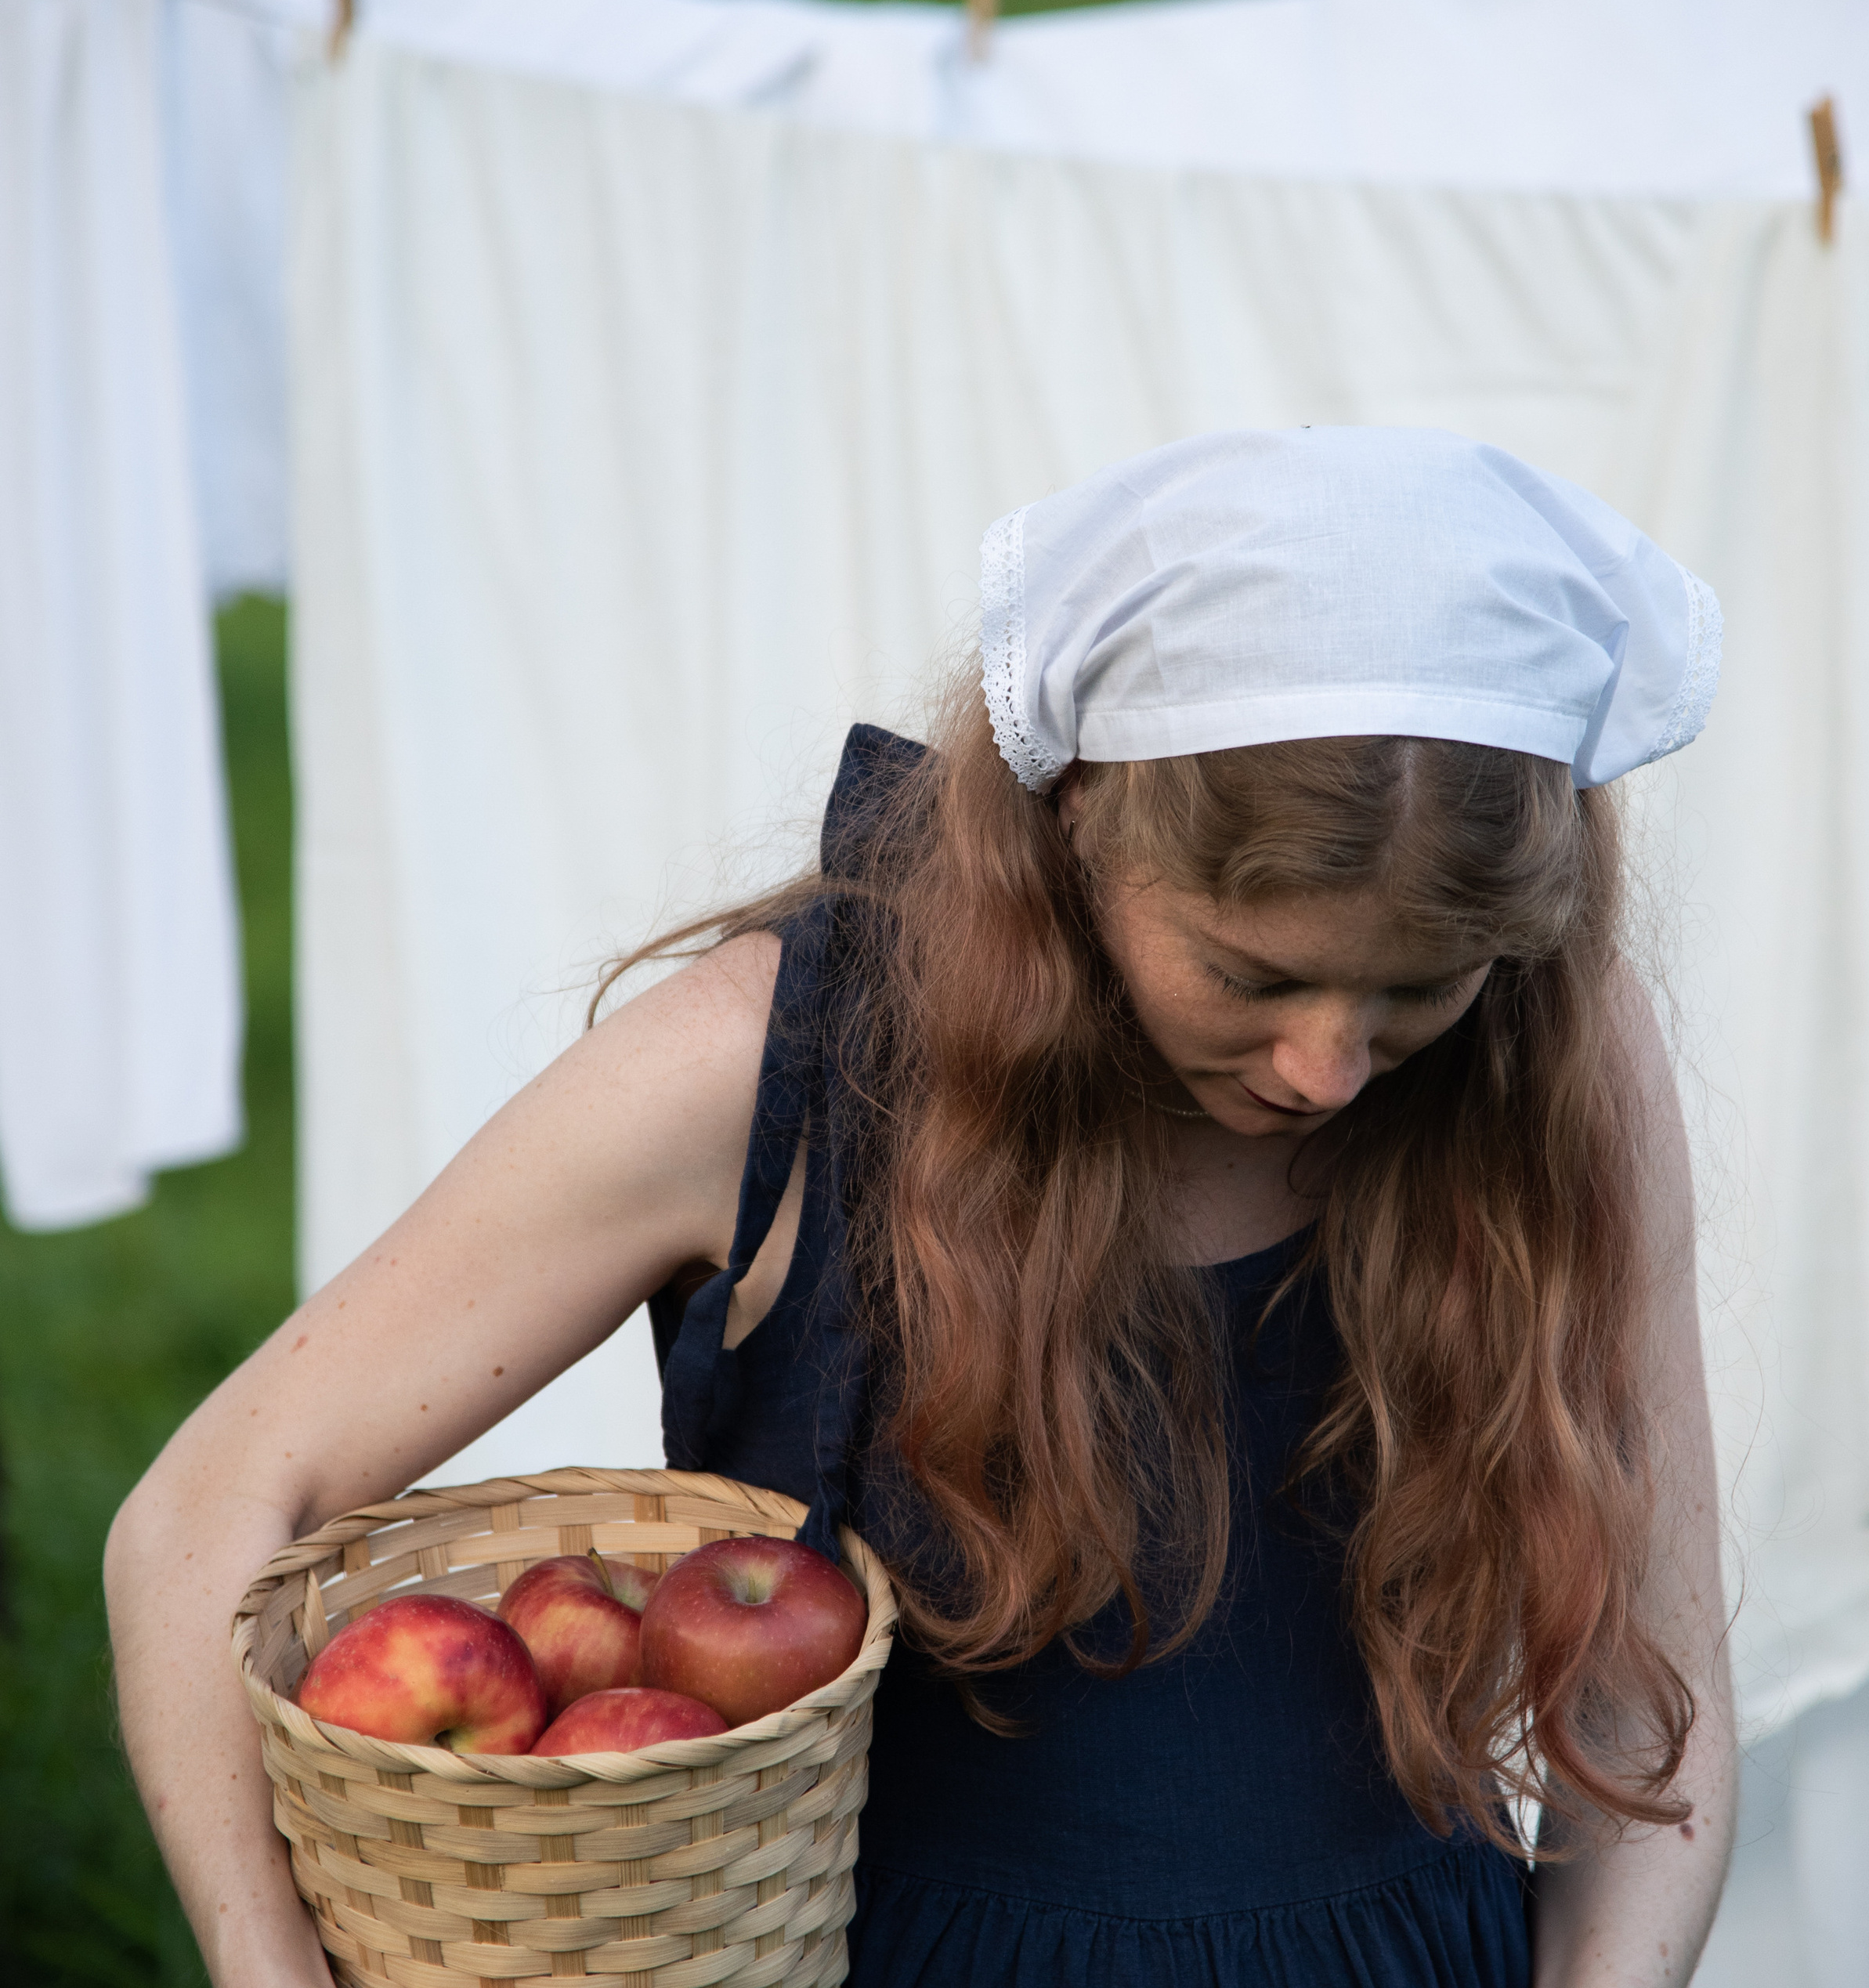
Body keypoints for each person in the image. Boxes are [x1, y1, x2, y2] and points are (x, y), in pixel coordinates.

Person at [107, 427, 1735, 1987]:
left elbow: (1646, 1693)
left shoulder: (1552, 1061)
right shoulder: (771, 1069)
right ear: (1082, 816)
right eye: (1253, 972)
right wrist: (270, 1963)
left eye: (1412, 988)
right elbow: (200, 1518)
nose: (1326, 1066)